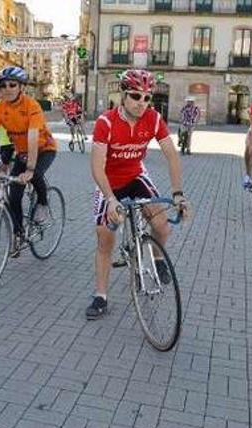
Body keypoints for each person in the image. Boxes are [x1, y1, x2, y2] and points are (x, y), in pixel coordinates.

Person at [84, 69, 189, 319]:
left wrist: (178, 194)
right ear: (122, 95)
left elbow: (171, 155)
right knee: (105, 238)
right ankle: (101, 296)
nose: (141, 103)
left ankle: (156, 257)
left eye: (147, 98)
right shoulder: (106, 122)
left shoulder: (153, 119)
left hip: (136, 176)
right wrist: (110, 199)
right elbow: (96, 166)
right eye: (135, 96)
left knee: (162, 225)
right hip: (109, 182)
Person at [0, 66, 57, 250]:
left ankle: (43, 203)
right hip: (22, 153)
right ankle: (19, 234)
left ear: (21, 87)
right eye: (3, 85)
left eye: (12, 85)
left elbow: (33, 136)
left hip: (44, 149)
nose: (7, 89)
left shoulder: (32, 106)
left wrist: (29, 169)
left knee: (35, 173)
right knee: (14, 196)